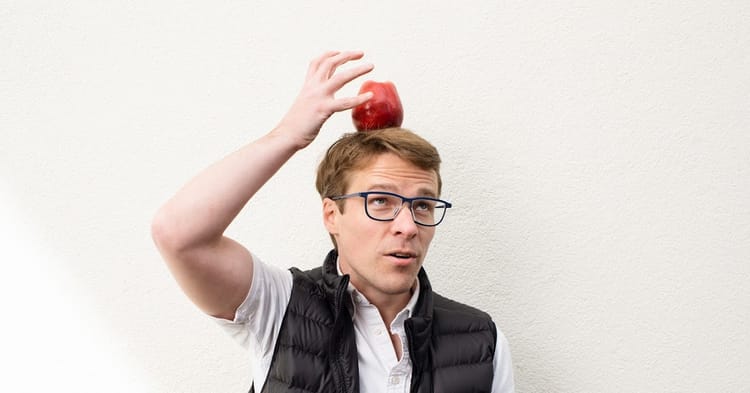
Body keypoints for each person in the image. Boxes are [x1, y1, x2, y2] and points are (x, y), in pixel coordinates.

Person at [151, 50, 515, 393]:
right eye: (381, 201)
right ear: (331, 215)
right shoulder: (279, 306)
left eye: (422, 205)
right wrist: (288, 136)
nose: (408, 226)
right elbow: (178, 234)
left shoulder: (483, 340)